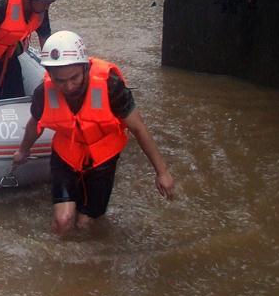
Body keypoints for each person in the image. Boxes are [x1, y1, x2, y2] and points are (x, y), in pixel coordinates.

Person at [12, 31, 175, 236]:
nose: (68, 86)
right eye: (60, 81)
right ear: (49, 75)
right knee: (63, 221)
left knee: (84, 224)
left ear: (85, 68)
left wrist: (162, 172)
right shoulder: (43, 93)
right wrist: (22, 151)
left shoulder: (110, 86)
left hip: (102, 158)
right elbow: (34, 125)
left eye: (74, 78)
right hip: (66, 154)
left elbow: (138, 127)